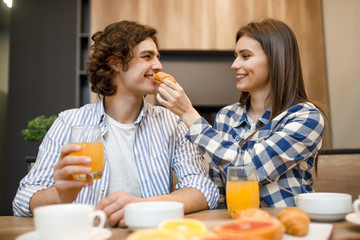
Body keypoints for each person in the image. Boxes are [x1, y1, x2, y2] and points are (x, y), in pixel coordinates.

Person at [12, 20, 219, 226]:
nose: (158, 65)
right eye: (147, 56)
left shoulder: (171, 123)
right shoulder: (69, 122)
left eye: (157, 56)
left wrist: (141, 206)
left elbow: (203, 189)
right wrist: (60, 195)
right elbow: (23, 199)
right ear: (115, 63)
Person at [156, 18, 325, 208]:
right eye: (235, 55)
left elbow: (247, 170)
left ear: (276, 59)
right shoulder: (226, 116)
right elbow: (219, 193)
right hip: (238, 227)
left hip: (286, 228)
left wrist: (188, 114)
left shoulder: (306, 117)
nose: (234, 65)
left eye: (245, 56)